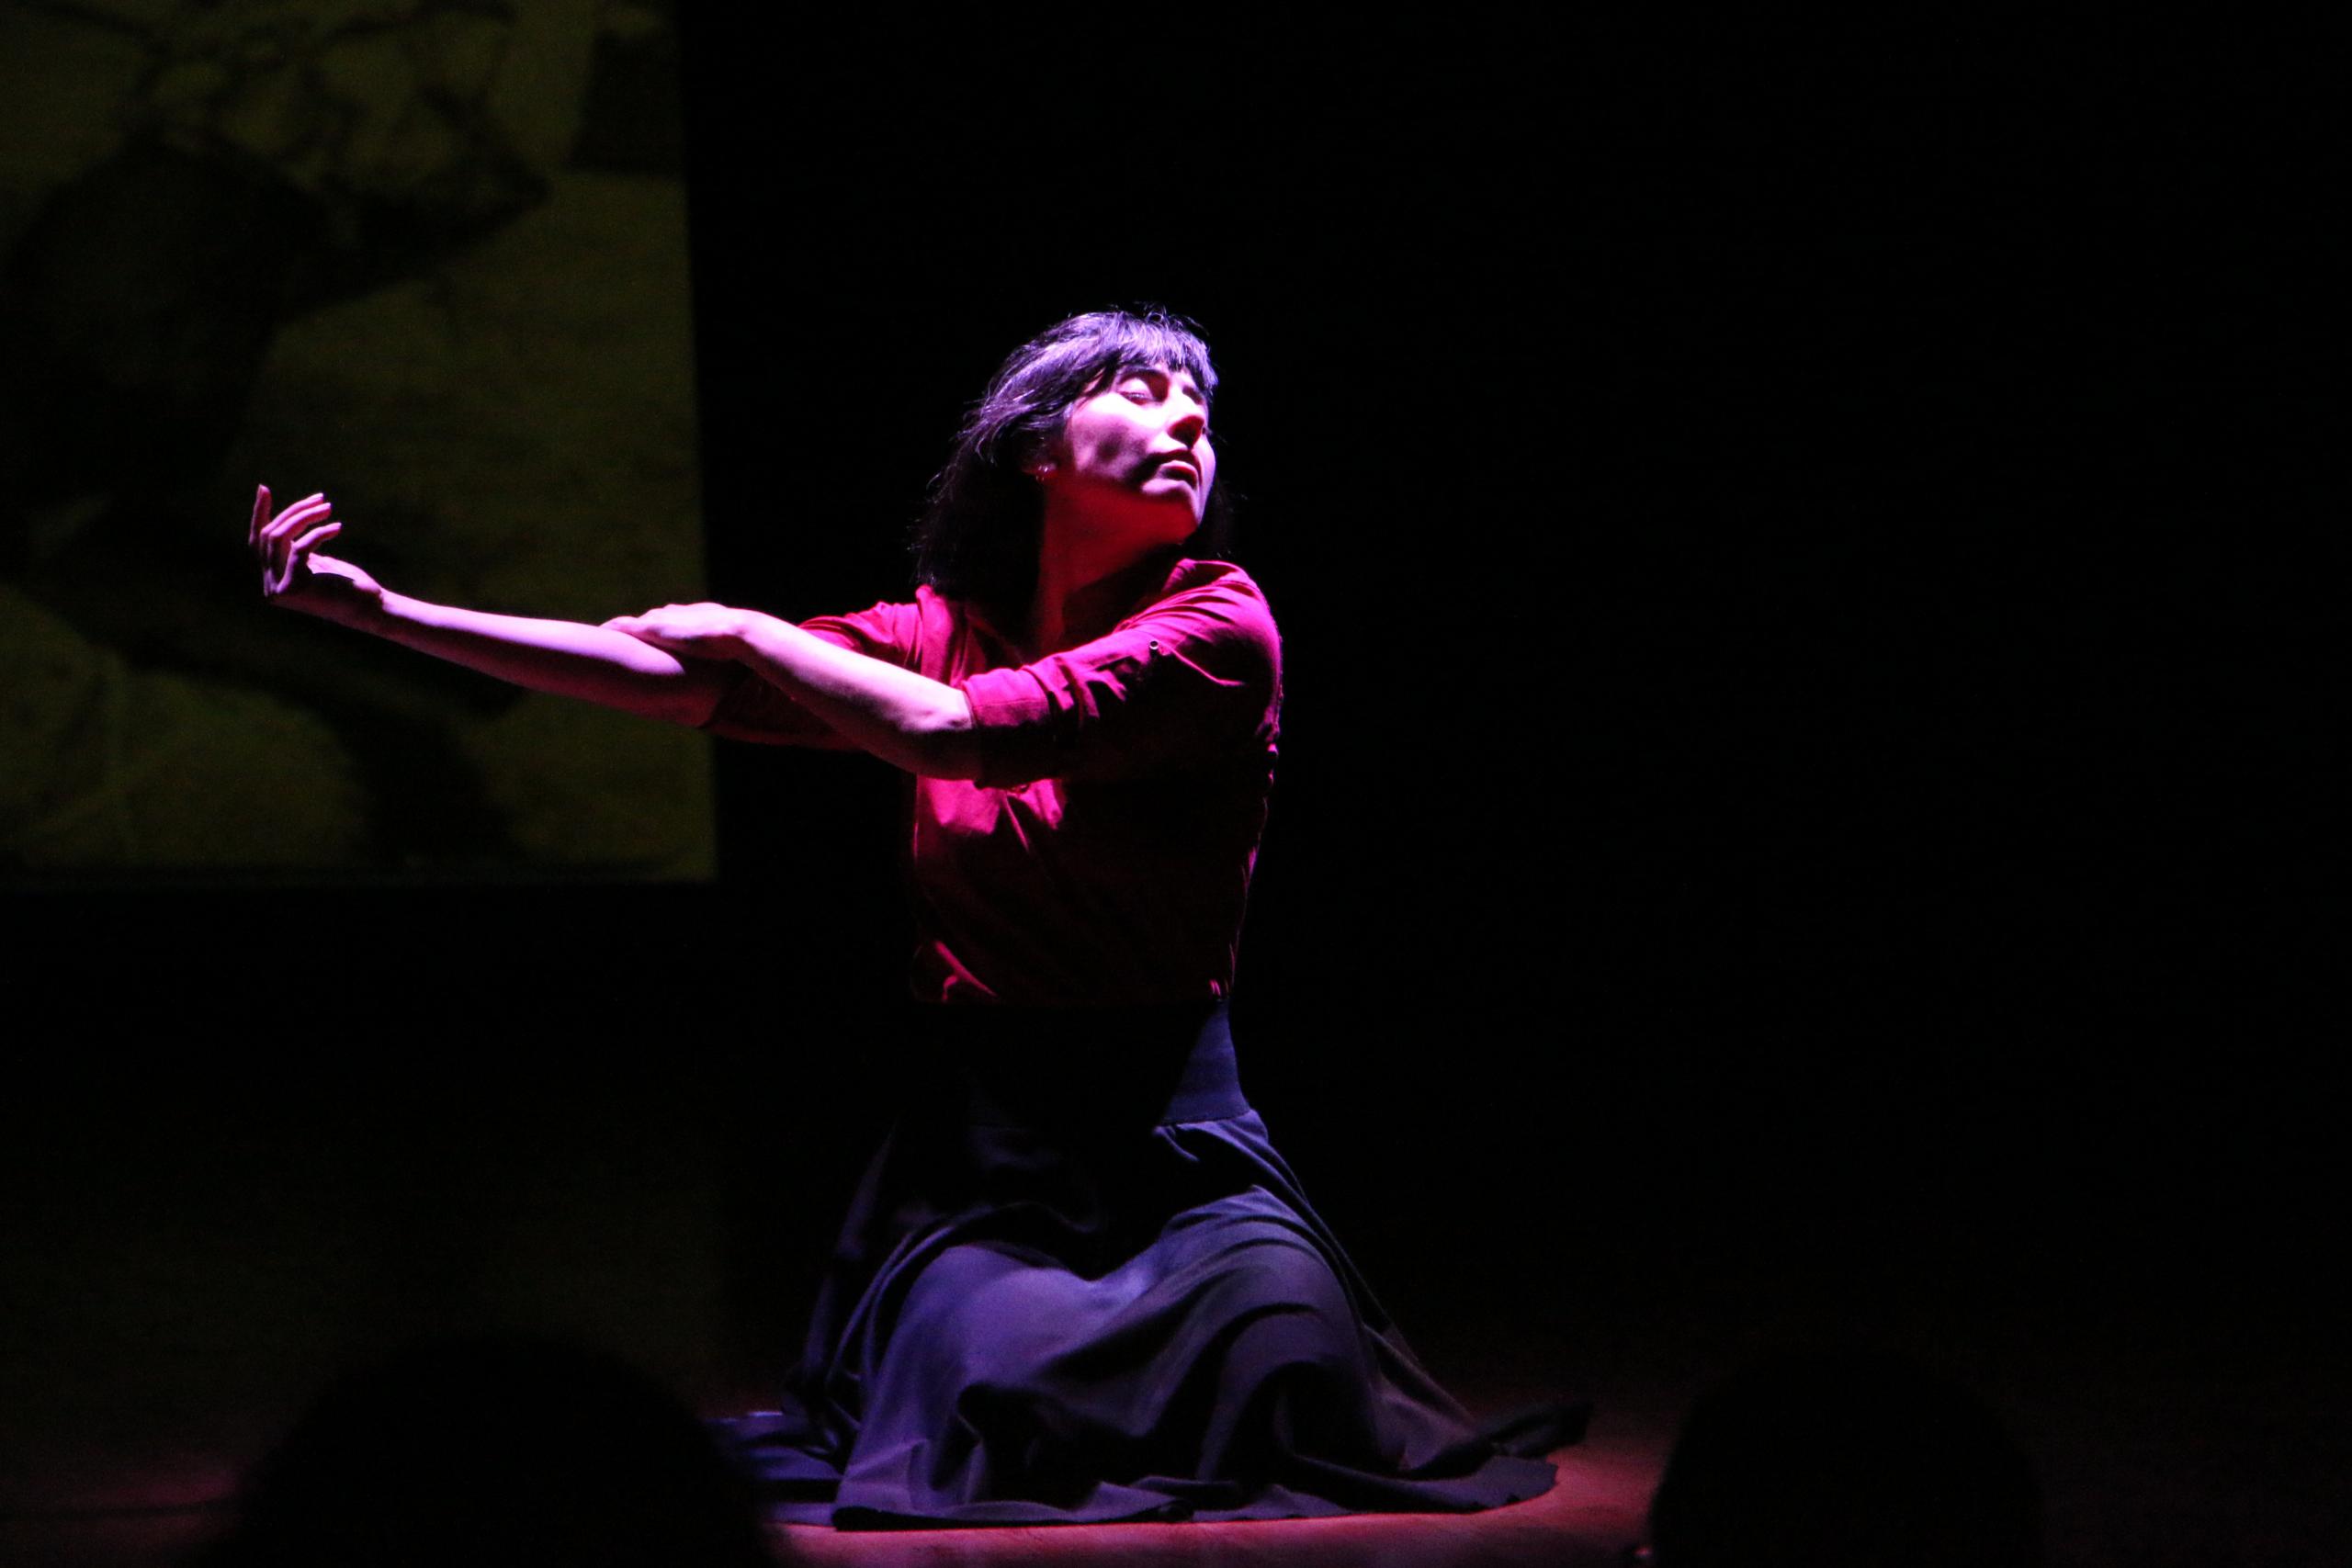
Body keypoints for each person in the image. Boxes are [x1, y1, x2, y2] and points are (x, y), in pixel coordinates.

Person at [250, 307, 1581, 1526]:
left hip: (1180, 1140)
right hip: (992, 1150)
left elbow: (956, 738)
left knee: (1287, 1362)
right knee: (989, 1386)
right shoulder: (943, 631)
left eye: (1202, 408)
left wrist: (753, 630)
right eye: (1141, 390)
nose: (1188, 419)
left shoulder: (1221, 624)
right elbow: (667, 679)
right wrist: (383, 613)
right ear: (1037, 450)